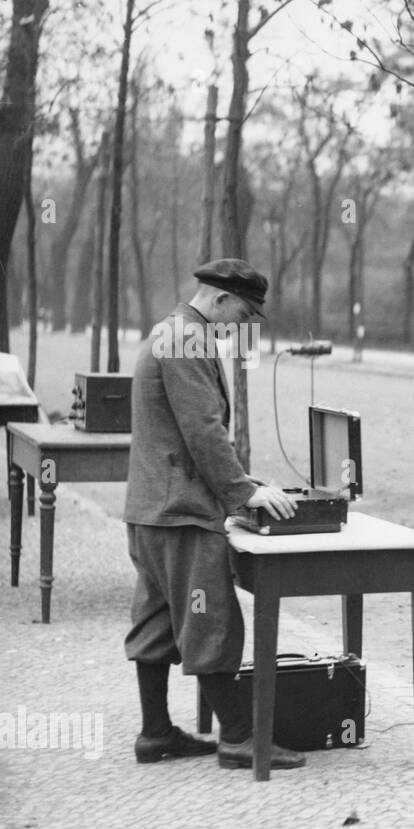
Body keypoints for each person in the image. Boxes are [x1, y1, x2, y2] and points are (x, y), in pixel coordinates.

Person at [124, 258, 305, 770]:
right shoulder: (188, 340)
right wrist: (243, 494)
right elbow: (204, 430)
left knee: (157, 622)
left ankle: (156, 734)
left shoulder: (172, 330)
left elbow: (190, 431)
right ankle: (241, 739)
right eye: (244, 315)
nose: (243, 328)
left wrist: (246, 485)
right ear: (220, 299)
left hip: (151, 510)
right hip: (179, 512)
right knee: (212, 622)